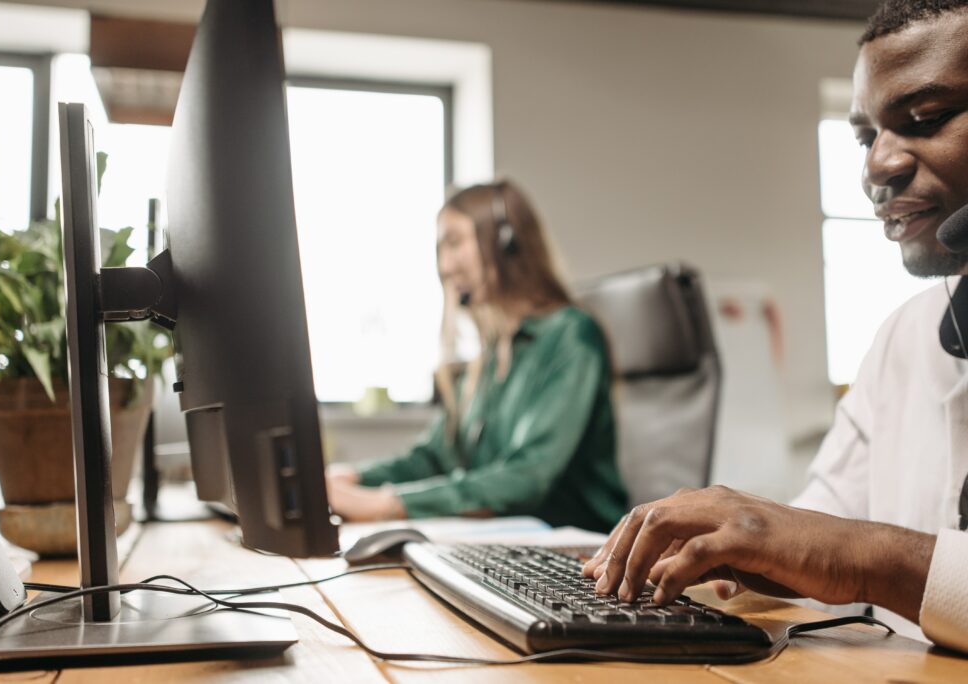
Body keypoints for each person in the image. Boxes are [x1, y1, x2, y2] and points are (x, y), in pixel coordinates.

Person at [583, 0, 968, 653]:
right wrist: (741, 542)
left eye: (925, 119)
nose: (877, 166)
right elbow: (823, 526)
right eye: (865, 136)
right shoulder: (907, 333)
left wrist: (866, 558)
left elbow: (850, 550)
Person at [326, 180, 627, 532]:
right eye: (440, 249)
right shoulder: (491, 352)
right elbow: (433, 457)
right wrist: (353, 477)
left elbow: (527, 477)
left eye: (454, 243)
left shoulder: (571, 335)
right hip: (507, 540)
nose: (445, 264)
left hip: (574, 549)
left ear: (506, 244)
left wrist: (389, 505)